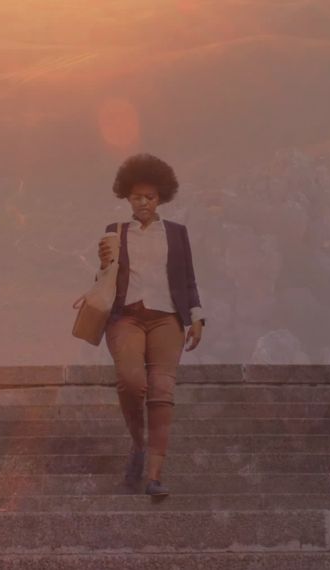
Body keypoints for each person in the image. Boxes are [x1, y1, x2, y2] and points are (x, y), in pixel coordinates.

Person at [96, 153, 205, 497]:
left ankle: (154, 476)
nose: (143, 202)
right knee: (131, 382)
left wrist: (196, 316)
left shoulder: (176, 233)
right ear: (126, 196)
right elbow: (103, 280)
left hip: (166, 318)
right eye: (137, 196)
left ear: (161, 198)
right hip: (125, 315)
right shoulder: (115, 231)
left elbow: (187, 278)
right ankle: (137, 444)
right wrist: (102, 264)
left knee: (162, 391)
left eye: (150, 196)